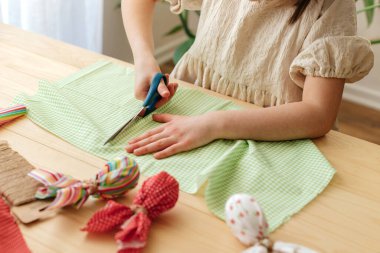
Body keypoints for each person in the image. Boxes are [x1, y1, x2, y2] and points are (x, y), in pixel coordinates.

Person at [122, 0, 374, 159]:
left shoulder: (331, 5)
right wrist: (144, 57)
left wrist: (214, 125)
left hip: (279, 141)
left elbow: (318, 115)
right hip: (194, 113)